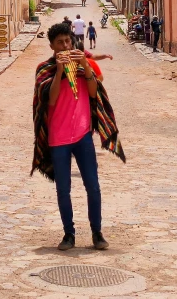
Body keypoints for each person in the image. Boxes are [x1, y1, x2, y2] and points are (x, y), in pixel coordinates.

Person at [31, 22, 125, 251]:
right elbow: (50, 100)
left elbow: (94, 93)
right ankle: (68, 234)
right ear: (52, 46)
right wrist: (62, 71)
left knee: (93, 186)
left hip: (83, 135)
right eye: (60, 43)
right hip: (58, 138)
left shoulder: (84, 66)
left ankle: (97, 232)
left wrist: (85, 64)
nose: (65, 46)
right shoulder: (45, 68)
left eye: (68, 41)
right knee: (63, 189)